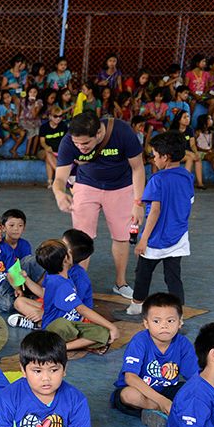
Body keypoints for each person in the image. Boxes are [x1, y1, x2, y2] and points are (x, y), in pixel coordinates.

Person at [52, 110, 146, 298]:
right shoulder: (69, 141)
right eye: (77, 143)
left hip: (121, 186)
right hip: (87, 185)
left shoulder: (122, 132)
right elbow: (59, 178)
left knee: (121, 236)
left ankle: (120, 283)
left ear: (99, 133)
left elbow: (138, 168)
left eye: (85, 143)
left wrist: (138, 203)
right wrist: (59, 194)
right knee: (81, 238)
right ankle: (79, 284)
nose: (80, 148)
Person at [122, 130, 194, 317]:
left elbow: (154, 211)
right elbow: (188, 202)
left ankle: (137, 305)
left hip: (156, 238)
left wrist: (143, 239)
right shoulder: (187, 176)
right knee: (173, 278)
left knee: (143, 273)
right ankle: (178, 315)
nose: (153, 159)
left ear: (165, 157)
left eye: (155, 155)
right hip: (178, 237)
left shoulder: (157, 180)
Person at [111, 291, 197, 427]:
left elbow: (195, 377)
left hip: (167, 390)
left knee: (192, 391)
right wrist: (162, 402)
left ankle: (157, 413)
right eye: (156, 321)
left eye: (170, 321)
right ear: (146, 323)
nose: (164, 326)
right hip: (140, 391)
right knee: (128, 395)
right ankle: (166, 411)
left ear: (180, 322)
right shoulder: (140, 341)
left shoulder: (183, 344)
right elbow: (130, 378)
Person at [34, 239, 119, 357]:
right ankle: (59, 347)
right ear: (66, 259)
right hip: (54, 328)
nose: (71, 252)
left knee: (103, 332)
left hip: (72, 325)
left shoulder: (57, 276)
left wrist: (107, 328)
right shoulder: (60, 284)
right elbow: (82, 309)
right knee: (63, 324)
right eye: (68, 251)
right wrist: (112, 326)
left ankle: (64, 346)